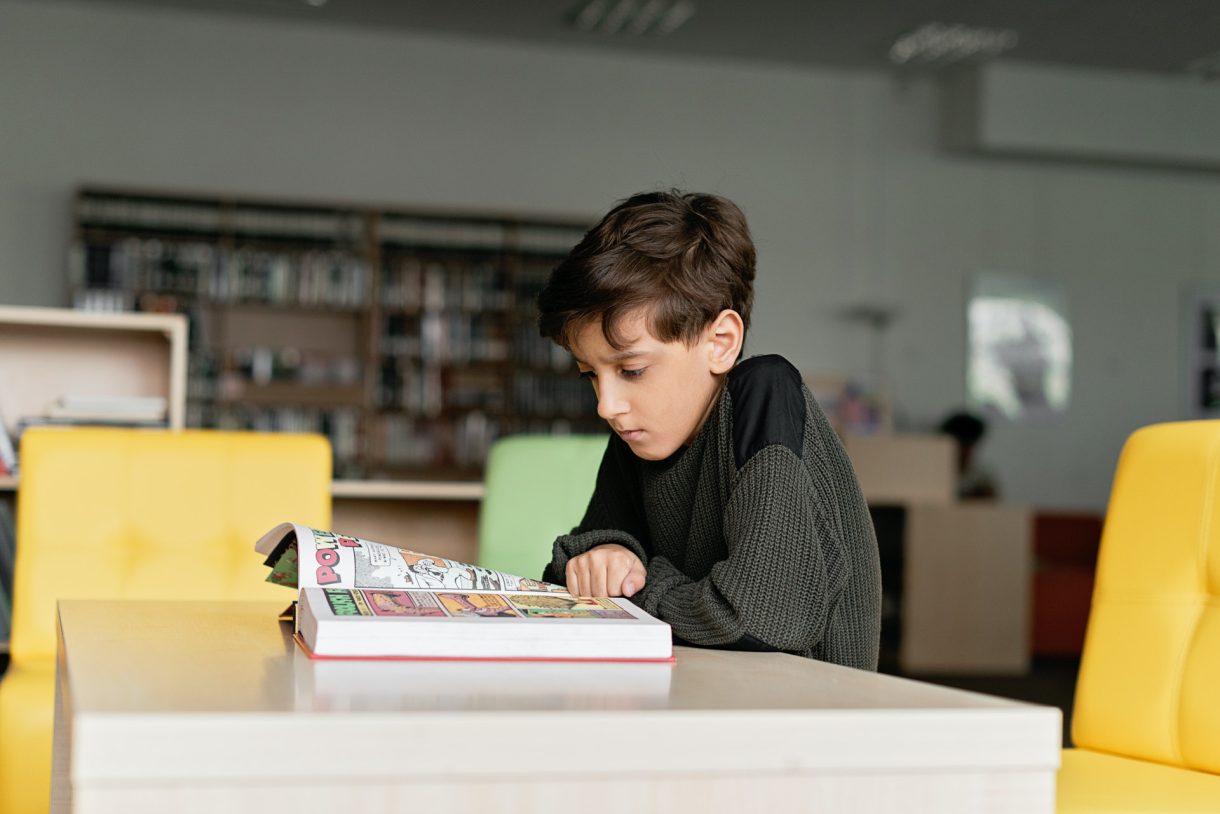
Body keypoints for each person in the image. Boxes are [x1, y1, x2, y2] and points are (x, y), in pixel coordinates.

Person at [535, 190, 881, 670]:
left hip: (804, 721)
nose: (606, 405)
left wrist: (634, 586)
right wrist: (607, 553)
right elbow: (568, 580)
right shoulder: (638, 430)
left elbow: (758, 621)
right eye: (591, 374)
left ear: (720, 342)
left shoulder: (765, 396)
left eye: (631, 370)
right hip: (704, 698)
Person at [937, 410, 999, 500]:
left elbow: (991, 501)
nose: (964, 450)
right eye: (961, 444)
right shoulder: (937, 474)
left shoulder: (982, 477)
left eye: (968, 445)